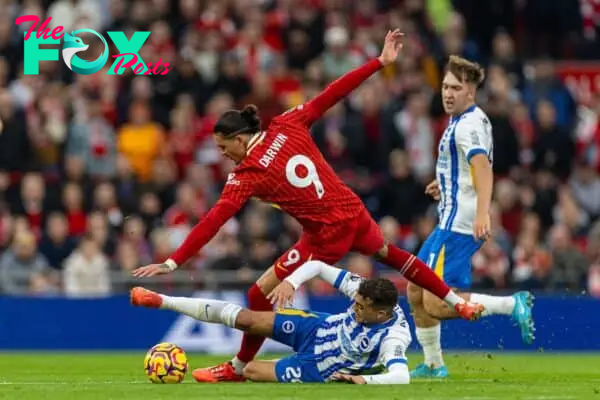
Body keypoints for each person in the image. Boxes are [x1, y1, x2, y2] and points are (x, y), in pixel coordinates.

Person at [132, 31, 484, 382]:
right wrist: (378, 63)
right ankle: (458, 302)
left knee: (257, 293)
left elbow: (213, 221)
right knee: (395, 257)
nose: (223, 154)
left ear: (239, 139)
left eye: (224, 147)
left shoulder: (247, 176)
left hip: (325, 236)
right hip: (352, 211)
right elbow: (333, 93)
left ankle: (238, 368)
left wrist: (172, 260)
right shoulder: (287, 123)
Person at [408, 55, 535, 379]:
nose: (448, 93)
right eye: (445, 86)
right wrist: (447, 182)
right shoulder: (468, 118)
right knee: (413, 285)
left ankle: (511, 305)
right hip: (450, 216)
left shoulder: (465, 125)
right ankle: (434, 364)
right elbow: (468, 168)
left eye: (456, 88)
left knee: (436, 302)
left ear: (471, 92)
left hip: (458, 224)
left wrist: (483, 213)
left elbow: (482, 167)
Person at [131, 259, 412, 384]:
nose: (355, 308)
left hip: (318, 368)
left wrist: (363, 380)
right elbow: (317, 266)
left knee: (251, 371)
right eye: (356, 301)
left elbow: (401, 376)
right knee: (247, 319)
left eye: (361, 308)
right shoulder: (365, 290)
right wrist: (292, 282)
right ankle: (161, 300)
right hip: (317, 327)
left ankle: (236, 371)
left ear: (381, 315)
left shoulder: (394, 336)